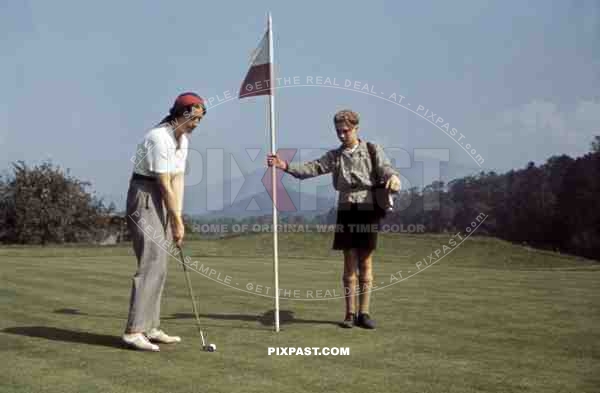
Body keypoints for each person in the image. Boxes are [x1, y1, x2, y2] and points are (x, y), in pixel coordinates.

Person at [267, 109, 401, 329]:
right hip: (346, 206)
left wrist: (393, 177)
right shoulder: (335, 155)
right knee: (349, 261)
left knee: (365, 261)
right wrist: (285, 166)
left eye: (345, 131)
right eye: (338, 131)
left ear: (356, 128)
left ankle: (364, 313)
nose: (341, 135)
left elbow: (386, 169)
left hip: (369, 206)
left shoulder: (372, 149)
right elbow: (313, 168)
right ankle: (349, 314)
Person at [122, 92, 206, 351]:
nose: (196, 125)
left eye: (200, 120)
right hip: (145, 194)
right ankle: (134, 331)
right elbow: (163, 181)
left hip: (162, 195)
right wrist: (178, 221)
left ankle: (150, 327)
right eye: (195, 119)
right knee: (150, 261)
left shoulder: (183, 140)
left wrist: (175, 217)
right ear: (182, 114)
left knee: (161, 262)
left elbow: (178, 180)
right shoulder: (159, 138)